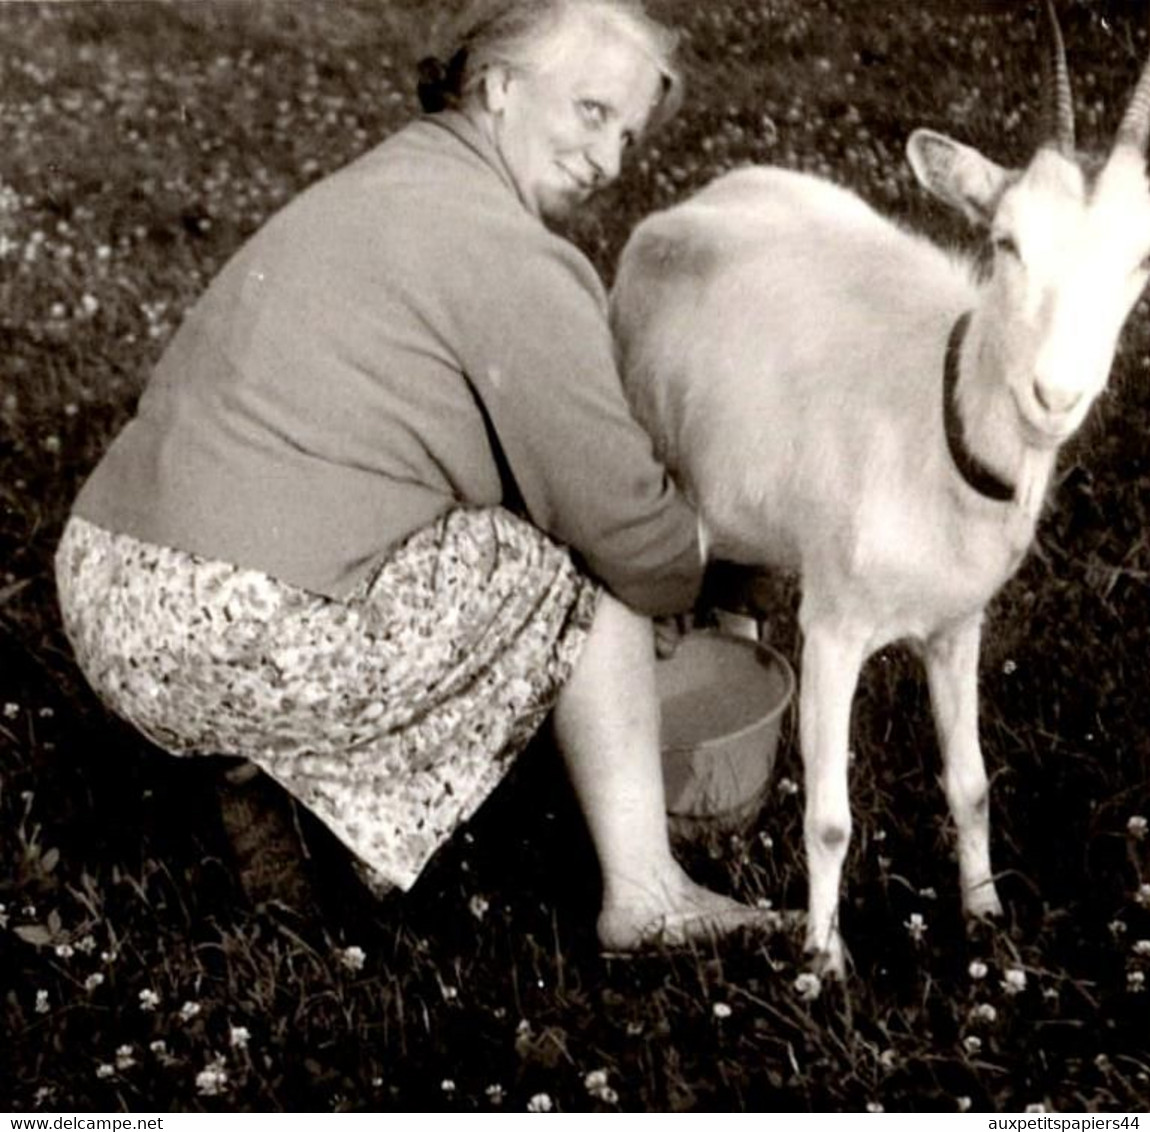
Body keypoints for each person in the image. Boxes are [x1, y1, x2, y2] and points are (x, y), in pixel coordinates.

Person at [55, 0, 773, 952]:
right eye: (593, 111)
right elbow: (626, 531)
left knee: (475, 550)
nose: (609, 159)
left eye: (629, 134)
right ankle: (647, 895)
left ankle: (269, 779)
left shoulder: (384, 182)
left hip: (107, 585)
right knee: (573, 572)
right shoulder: (515, 258)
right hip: (233, 621)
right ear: (501, 86)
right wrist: (700, 575)